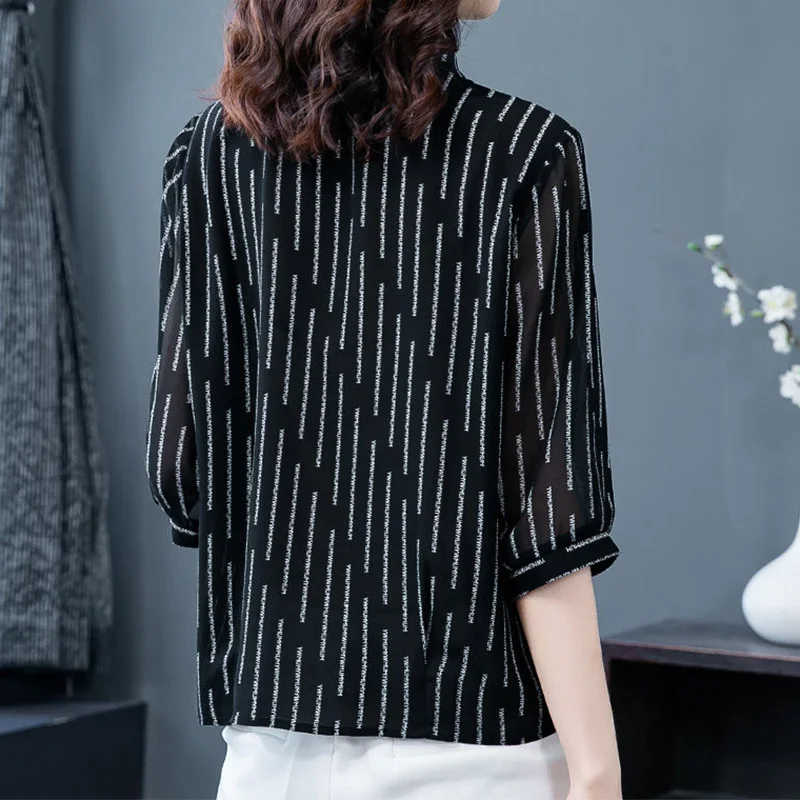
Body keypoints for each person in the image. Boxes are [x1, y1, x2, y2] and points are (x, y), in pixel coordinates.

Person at [145, 0, 623, 797]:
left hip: (273, 747)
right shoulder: (525, 152)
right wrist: (597, 771)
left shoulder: (203, 160)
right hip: (475, 745)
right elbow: (546, 512)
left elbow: (181, 473)